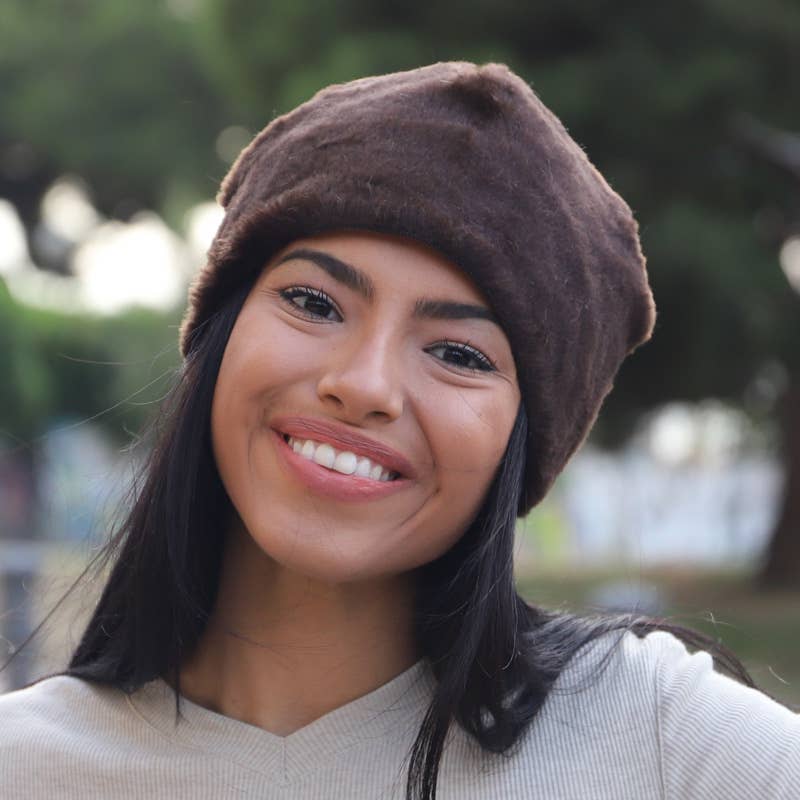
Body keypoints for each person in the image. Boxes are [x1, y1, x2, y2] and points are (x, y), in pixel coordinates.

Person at [1, 61, 798, 800]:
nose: (364, 385)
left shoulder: (659, 737)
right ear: (219, 335)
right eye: (313, 302)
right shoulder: (27, 765)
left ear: (523, 444)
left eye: (458, 354)